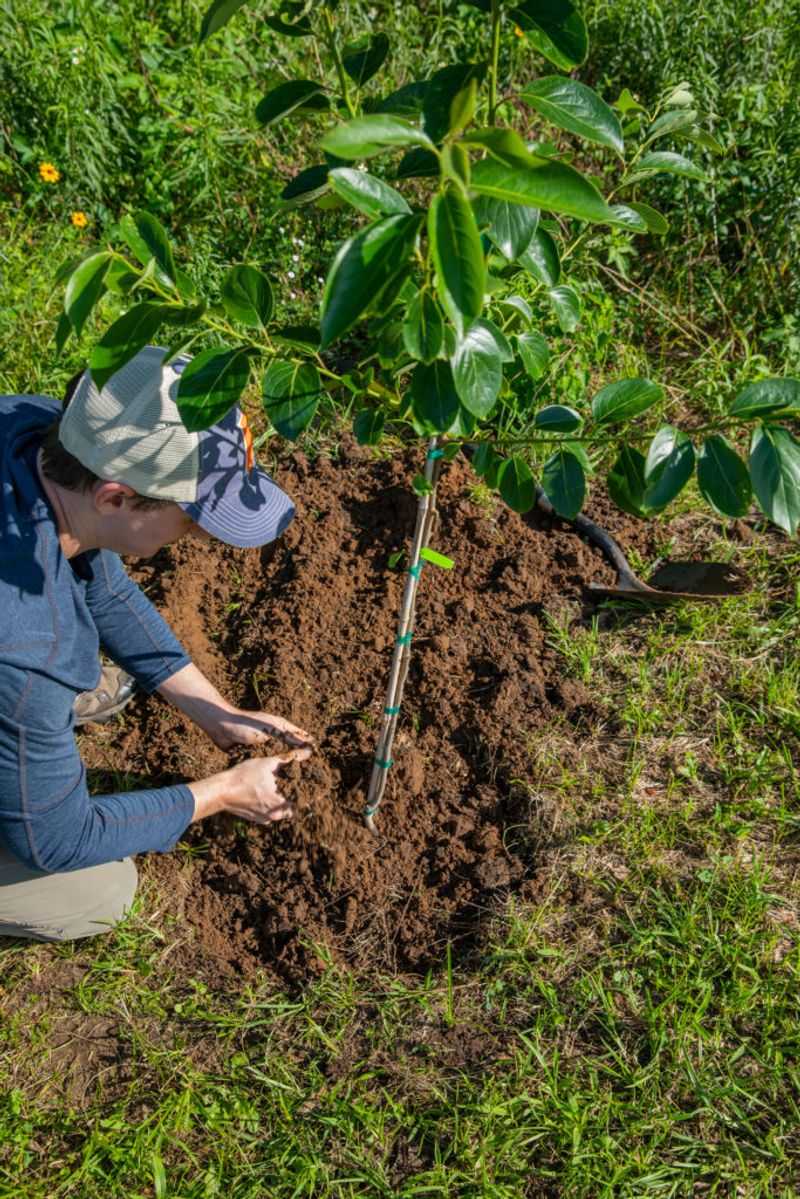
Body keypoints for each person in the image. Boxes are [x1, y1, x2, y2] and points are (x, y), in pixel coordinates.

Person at [0, 345, 313, 942]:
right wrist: (221, 792)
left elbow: (101, 586)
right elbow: (60, 839)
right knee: (95, 892)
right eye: (192, 517)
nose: (198, 535)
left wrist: (216, 711)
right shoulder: (28, 645)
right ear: (114, 497)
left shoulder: (32, 429)